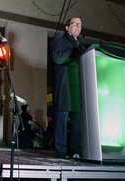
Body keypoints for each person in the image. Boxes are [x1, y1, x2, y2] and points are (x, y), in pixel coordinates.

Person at [50, 17, 85, 158]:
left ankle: (75, 150)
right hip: (64, 87)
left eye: (80, 25)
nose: (78, 27)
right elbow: (56, 58)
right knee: (62, 121)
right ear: (67, 27)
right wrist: (72, 52)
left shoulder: (81, 46)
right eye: (75, 24)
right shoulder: (58, 42)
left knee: (77, 122)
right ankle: (61, 150)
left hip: (77, 88)